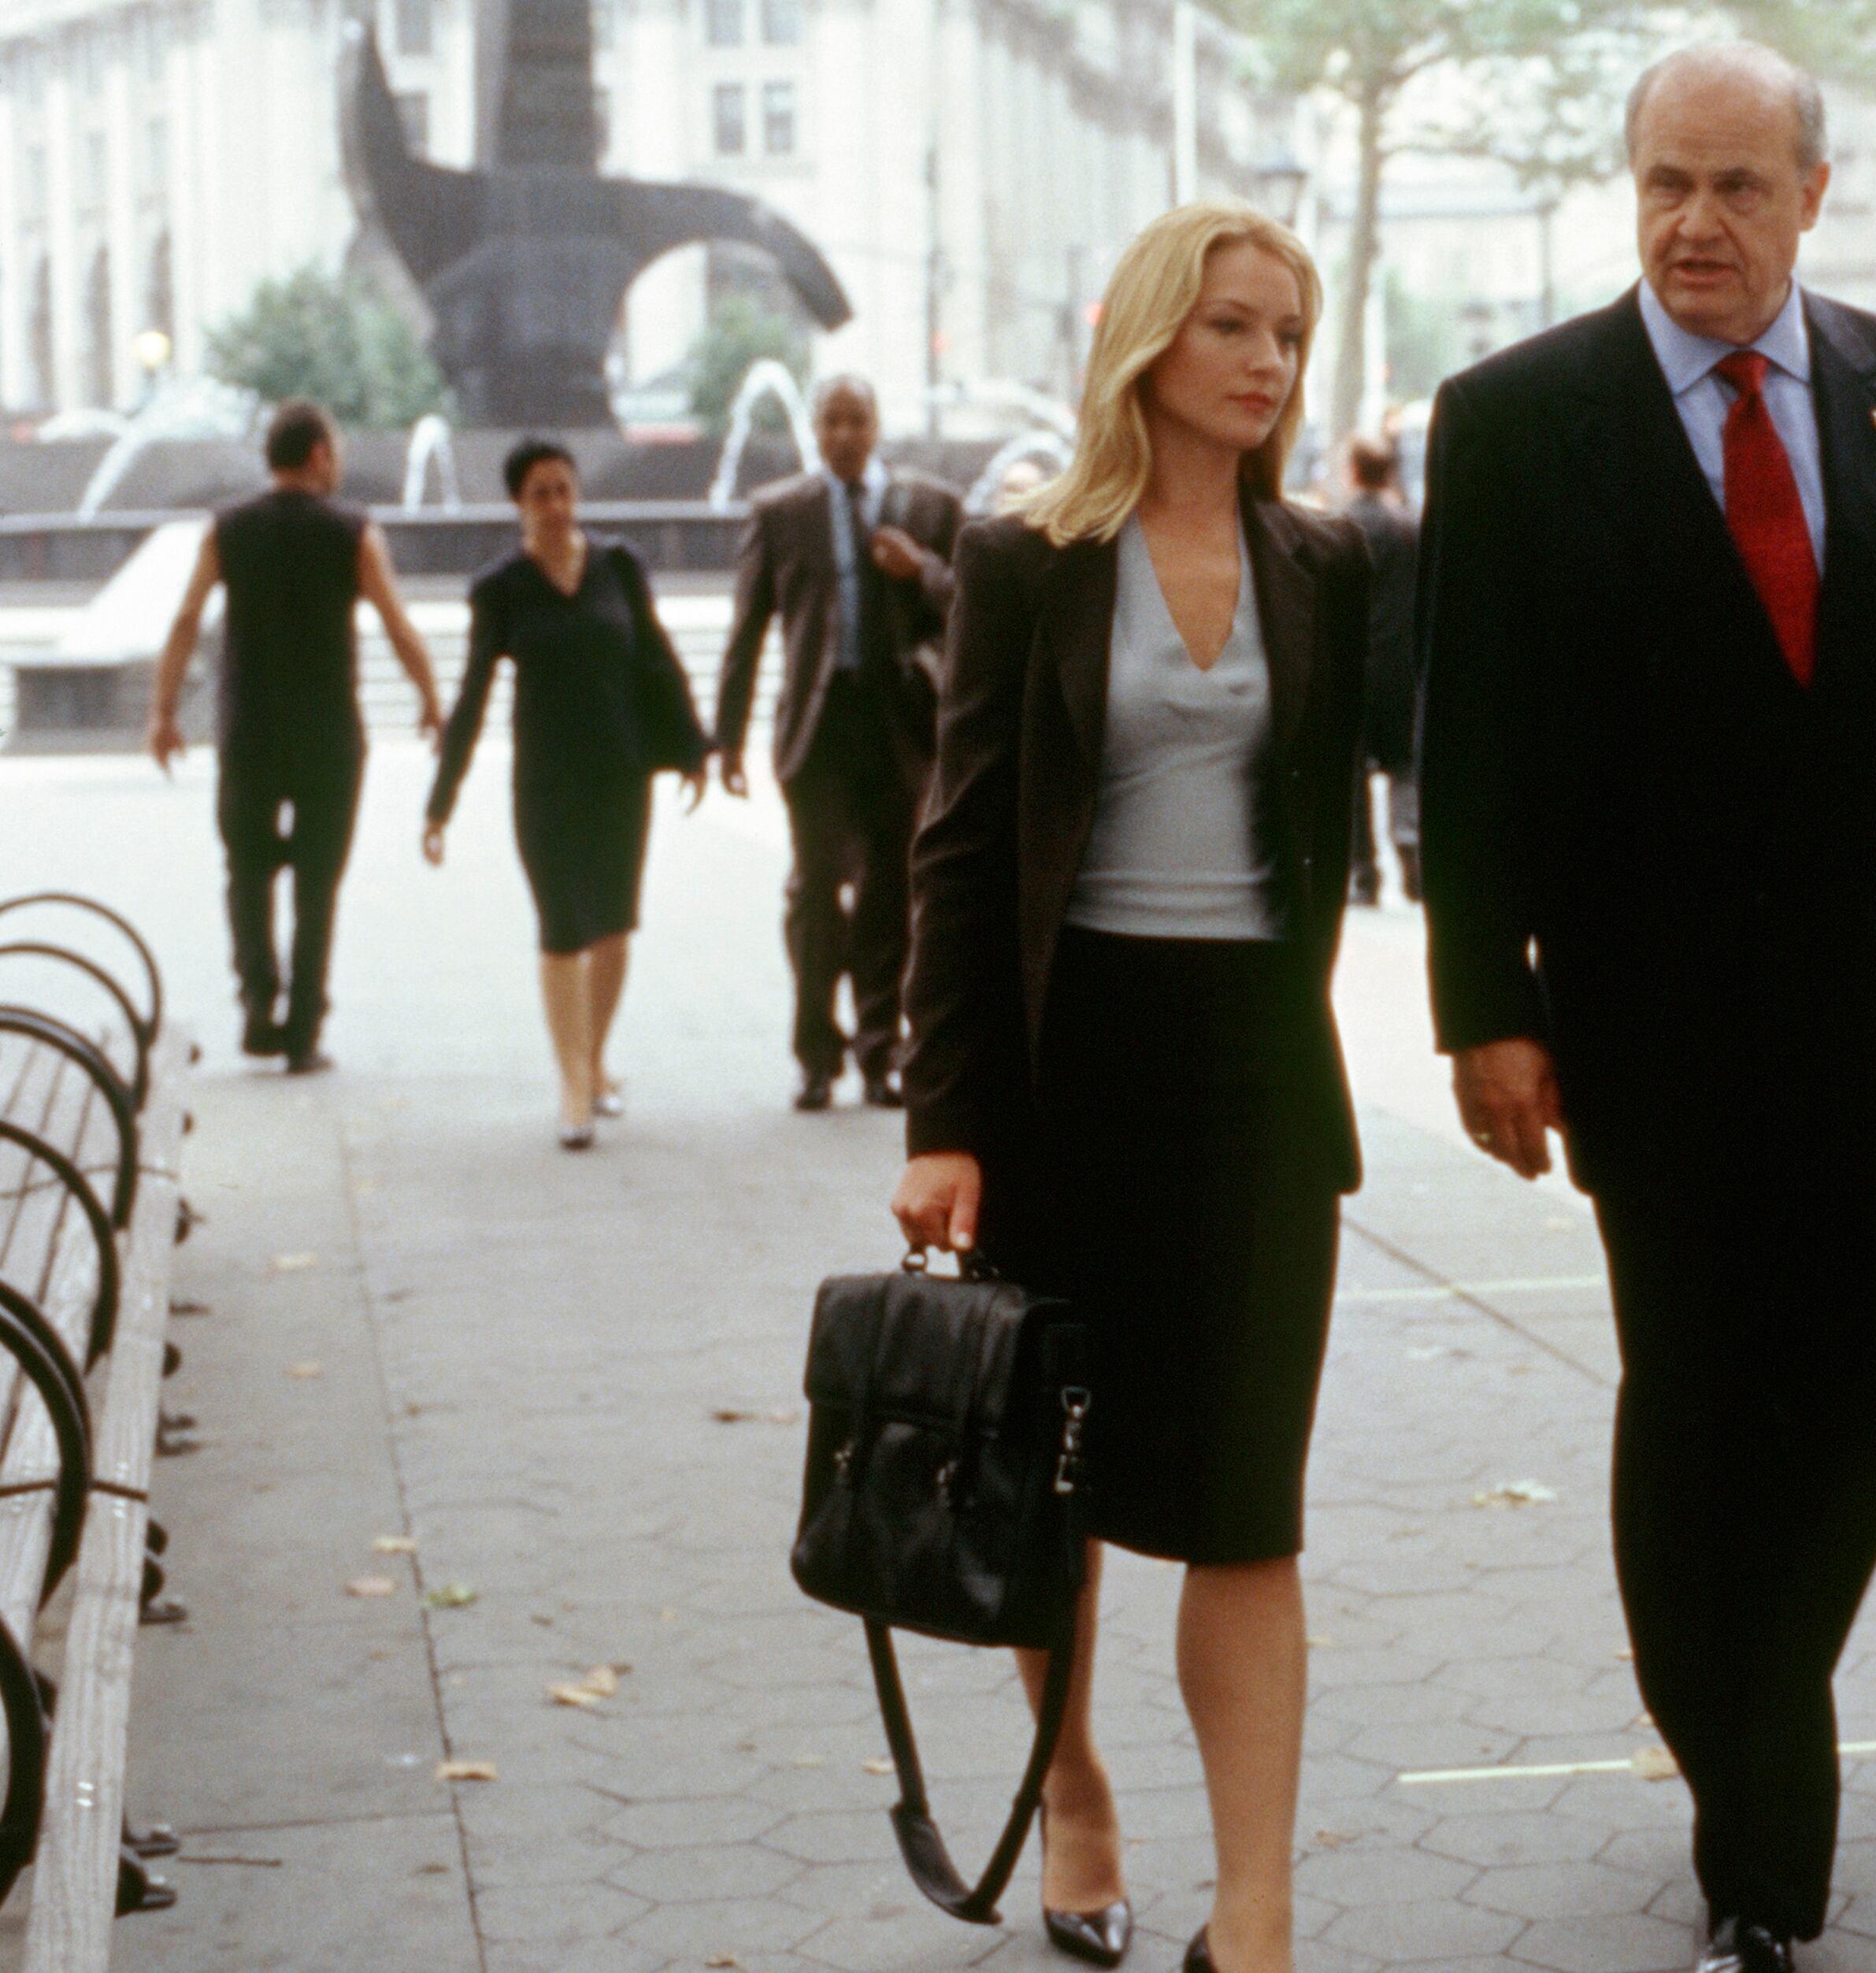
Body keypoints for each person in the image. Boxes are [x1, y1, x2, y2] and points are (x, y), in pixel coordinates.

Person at [1415, 45, 1876, 1973]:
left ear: (1813, 193)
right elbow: (1466, 742)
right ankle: (1763, 1840)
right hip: (1649, 1032)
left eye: (1734, 185)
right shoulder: (1515, 417)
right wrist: (1482, 1002)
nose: (1694, 223)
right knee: (1705, 1399)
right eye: (1664, 183)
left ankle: (1749, 1687)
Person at [891, 202, 1367, 1973]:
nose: (1266, 361)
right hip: (1064, 1069)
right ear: (1152, 340)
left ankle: (1259, 1917)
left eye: (1289, 333)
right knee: (1057, 1489)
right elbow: (959, 850)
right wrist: (945, 1121)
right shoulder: (1027, 557)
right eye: (1233, 325)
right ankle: (1075, 1790)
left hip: (1257, 1078)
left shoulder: (1322, 559)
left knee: (1246, 1509)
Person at [424, 439, 710, 1148]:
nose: (555, 505)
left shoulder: (620, 566)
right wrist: (441, 800)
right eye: (539, 493)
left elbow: (656, 655)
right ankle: (574, 1084)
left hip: (620, 774)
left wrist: (692, 747)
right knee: (561, 928)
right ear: (517, 503)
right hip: (546, 785)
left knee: (613, 927)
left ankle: (595, 1056)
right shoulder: (501, 587)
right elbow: (472, 693)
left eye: (563, 489)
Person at [146, 399, 444, 1071]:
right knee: (316, 885)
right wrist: (431, 699)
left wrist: (162, 711)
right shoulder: (353, 530)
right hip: (329, 735)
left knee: (246, 873)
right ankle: (304, 1030)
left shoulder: (226, 528)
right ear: (317, 454)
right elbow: (397, 623)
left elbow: (186, 618)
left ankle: (258, 1005)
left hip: (248, 730)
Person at [714, 376, 965, 1111]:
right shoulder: (780, 511)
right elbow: (747, 629)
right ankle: (816, 1054)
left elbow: (973, 607)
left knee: (891, 891)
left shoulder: (932, 507)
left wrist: (920, 568)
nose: (844, 435)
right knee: (815, 891)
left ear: (878, 425)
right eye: (831, 421)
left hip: (899, 726)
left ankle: (881, 1051)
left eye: (857, 420)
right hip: (817, 729)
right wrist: (727, 739)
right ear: (816, 429)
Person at [1340, 433, 1422, 903]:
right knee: (1404, 764)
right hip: (1402, 665)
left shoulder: (1342, 526)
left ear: (1353, 471)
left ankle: (1364, 874)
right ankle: (1410, 848)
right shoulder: (1409, 525)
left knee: (1352, 772)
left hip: (1355, 665)